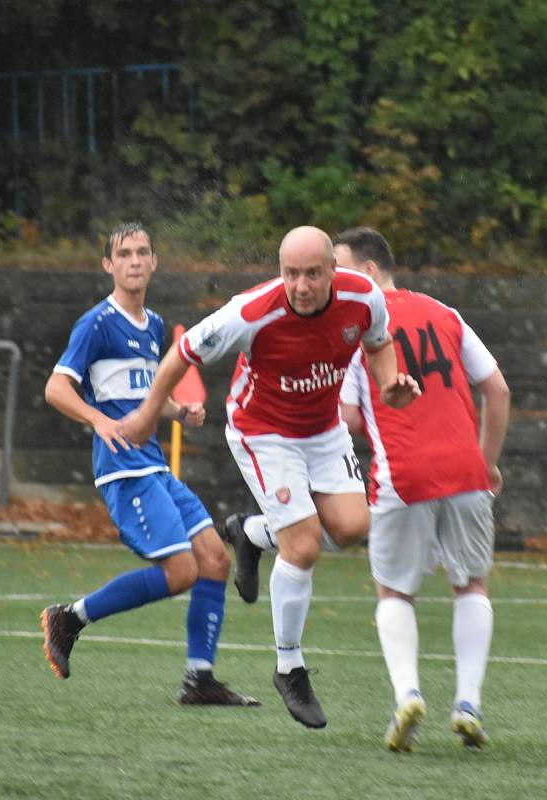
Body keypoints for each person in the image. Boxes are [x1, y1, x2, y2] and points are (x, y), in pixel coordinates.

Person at [116, 225, 420, 729]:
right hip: (263, 433)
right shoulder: (251, 311)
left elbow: (379, 342)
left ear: (333, 271)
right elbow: (181, 354)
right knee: (302, 546)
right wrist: (149, 414)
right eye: (291, 274)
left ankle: (251, 533)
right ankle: (289, 666)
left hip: (322, 431)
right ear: (280, 272)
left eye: (312, 275)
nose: (300, 286)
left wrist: (390, 383)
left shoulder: (363, 296)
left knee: (352, 527)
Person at [39, 221, 259, 708]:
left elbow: (144, 398)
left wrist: (179, 412)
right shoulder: (97, 323)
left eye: (143, 252)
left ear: (155, 262)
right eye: (124, 254)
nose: (135, 260)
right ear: (109, 266)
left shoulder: (154, 324)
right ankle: (69, 618)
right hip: (124, 470)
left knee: (215, 560)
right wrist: (98, 420)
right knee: (181, 570)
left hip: (154, 465)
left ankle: (199, 680)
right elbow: (57, 388)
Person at [334, 226, 510, 751]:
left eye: (341, 270)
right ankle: (468, 703)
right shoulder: (446, 313)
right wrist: (488, 462)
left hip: (402, 475)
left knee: (394, 592)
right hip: (466, 472)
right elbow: (497, 389)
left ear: (367, 273)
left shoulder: (358, 332)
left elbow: (346, 418)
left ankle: (408, 694)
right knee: (471, 586)